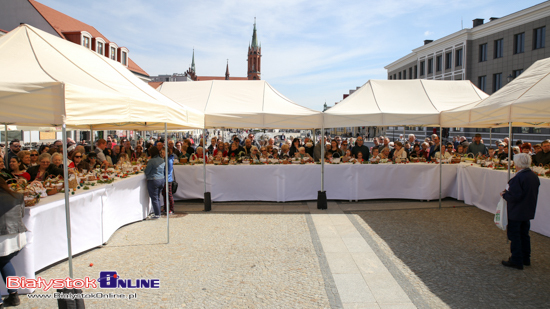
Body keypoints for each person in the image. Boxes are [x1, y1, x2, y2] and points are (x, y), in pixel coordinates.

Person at [501, 154, 540, 270]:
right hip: (527, 209)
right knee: (524, 234)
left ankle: (516, 259)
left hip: (517, 210)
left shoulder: (518, 178)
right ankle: (525, 257)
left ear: (517, 164)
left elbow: (515, 196)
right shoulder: (533, 176)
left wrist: (505, 194)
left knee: (515, 235)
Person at [0, 177, 27, 307]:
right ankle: (13, 296)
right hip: (17, 236)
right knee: (4, 262)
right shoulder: (17, 195)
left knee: (3, 261)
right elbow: (21, 214)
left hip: (2, 237)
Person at [144, 147, 165, 219]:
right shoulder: (162, 160)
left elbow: (147, 171)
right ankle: (158, 212)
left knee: (154, 198)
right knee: (157, 197)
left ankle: (157, 214)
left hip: (153, 180)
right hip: (161, 179)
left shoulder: (151, 161)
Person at [161, 148, 175, 214]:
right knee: (164, 194)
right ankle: (165, 208)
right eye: (162, 152)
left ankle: (171, 209)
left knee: (169, 194)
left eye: (163, 152)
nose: (162, 154)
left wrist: (161, 170)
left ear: (167, 153)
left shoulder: (169, 160)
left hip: (167, 179)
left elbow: (168, 171)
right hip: (164, 179)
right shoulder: (165, 159)